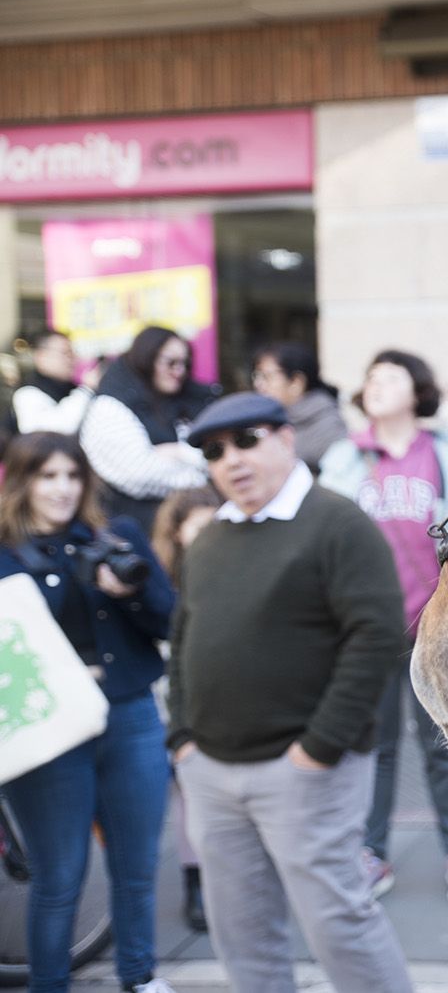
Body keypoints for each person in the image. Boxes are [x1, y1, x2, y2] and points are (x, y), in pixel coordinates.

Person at [165, 392, 413, 993]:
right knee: (240, 932)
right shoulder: (210, 538)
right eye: (214, 452)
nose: (231, 460)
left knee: (340, 925)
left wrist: (318, 749)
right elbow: (184, 638)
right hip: (212, 771)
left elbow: (376, 638)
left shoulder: (339, 522)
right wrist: (181, 740)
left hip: (305, 771)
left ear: (284, 438)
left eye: (245, 441)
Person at [0, 432, 177, 993]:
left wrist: (125, 592)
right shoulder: (4, 554)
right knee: (59, 876)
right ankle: (49, 986)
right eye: (47, 476)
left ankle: (139, 978)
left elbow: (170, 621)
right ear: (22, 481)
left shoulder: (115, 537)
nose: (62, 489)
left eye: (72, 476)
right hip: (48, 729)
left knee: (137, 868)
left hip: (129, 714)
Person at [320, 350, 448, 904]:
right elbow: (327, 543)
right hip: (368, 630)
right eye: (369, 378)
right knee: (376, 746)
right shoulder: (346, 459)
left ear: (417, 390)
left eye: (388, 376)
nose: (375, 384)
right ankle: (372, 852)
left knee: (442, 743)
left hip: (435, 625)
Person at [149, 484, 224, 935]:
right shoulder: (160, 579)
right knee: (186, 794)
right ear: (176, 534)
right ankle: (195, 881)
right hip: (170, 695)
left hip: (219, 698)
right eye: (199, 527)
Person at [79, 327, 214, 533]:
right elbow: (141, 473)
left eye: (185, 363)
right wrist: (201, 470)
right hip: (135, 530)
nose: (179, 371)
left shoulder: (187, 401)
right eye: (170, 363)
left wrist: (179, 452)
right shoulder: (109, 405)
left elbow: (217, 456)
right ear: (147, 358)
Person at [251, 341, 347, 473]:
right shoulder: (264, 421)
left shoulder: (328, 426)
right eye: (256, 376)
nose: (258, 384)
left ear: (296, 382)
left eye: (266, 376)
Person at [10, 330, 93, 435]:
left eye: (73, 353)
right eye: (66, 353)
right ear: (41, 357)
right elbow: (50, 432)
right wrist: (86, 390)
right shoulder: (27, 394)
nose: (73, 359)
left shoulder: (72, 388)